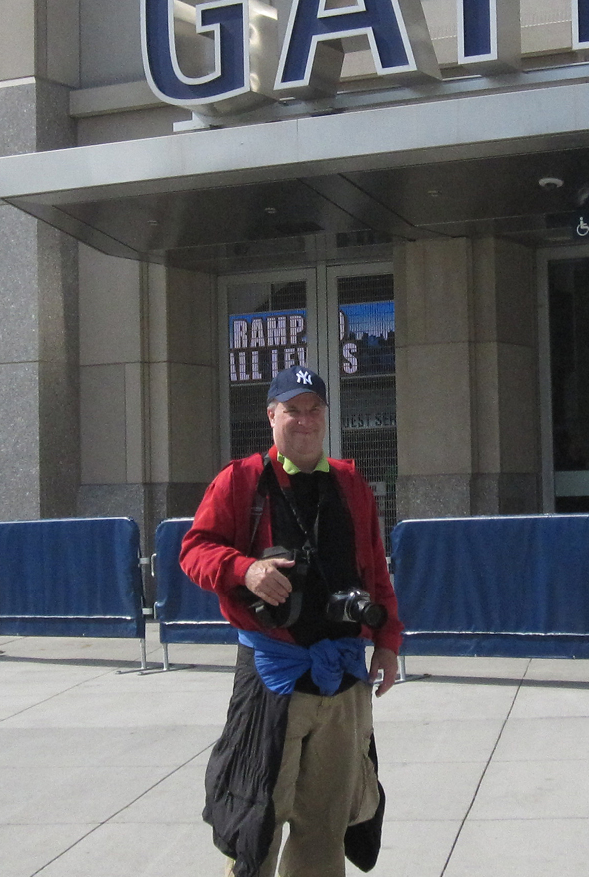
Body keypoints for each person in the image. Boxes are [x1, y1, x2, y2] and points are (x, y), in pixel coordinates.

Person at [181, 365, 402, 877]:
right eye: (292, 410)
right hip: (273, 677)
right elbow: (193, 550)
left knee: (327, 823)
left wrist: (387, 641)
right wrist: (246, 569)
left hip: (343, 677)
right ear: (271, 416)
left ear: (326, 415)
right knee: (259, 819)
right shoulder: (241, 479)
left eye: (314, 410)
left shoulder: (349, 481)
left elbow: (375, 570)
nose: (304, 420)